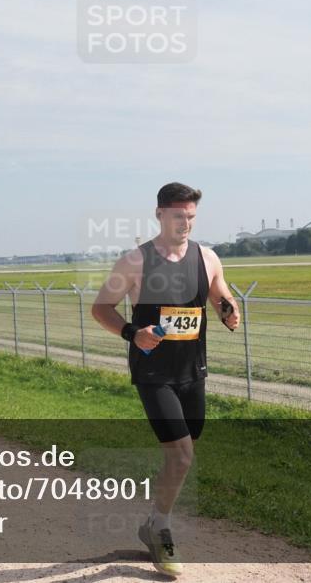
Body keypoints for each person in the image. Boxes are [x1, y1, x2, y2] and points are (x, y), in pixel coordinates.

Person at [92, 182, 239, 578]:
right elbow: (101, 307)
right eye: (178, 216)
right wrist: (130, 333)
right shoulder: (134, 262)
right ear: (159, 214)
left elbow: (220, 295)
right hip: (153, 371)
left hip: (192, 370)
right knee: (182, 455)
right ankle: (160, 529)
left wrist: (229, 311)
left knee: (186, 447)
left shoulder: (207, 258)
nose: (186, 223)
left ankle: (152, 521)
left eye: (191, 216)